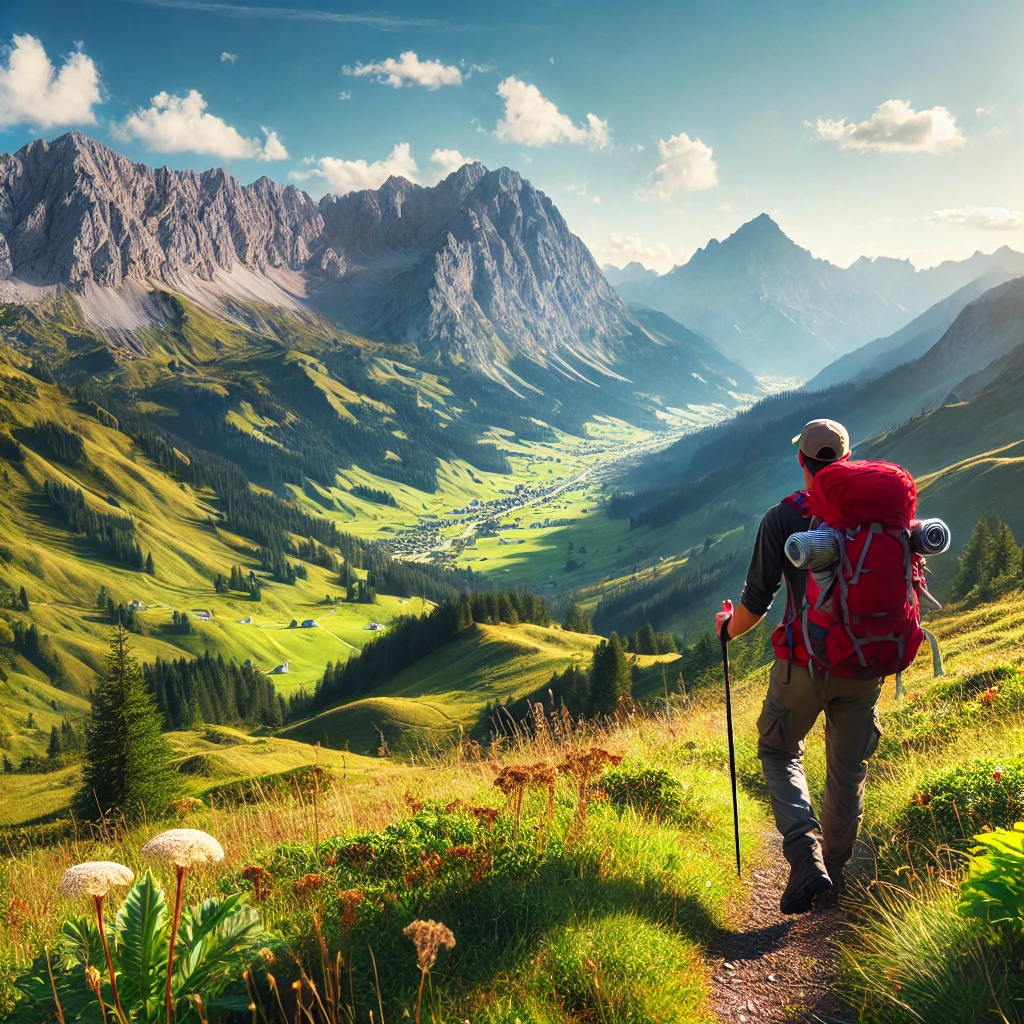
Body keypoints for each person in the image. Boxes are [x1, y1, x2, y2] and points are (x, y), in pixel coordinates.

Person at [716, 418, 882, 915]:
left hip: (803, 664)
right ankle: (836, 868)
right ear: (848, 458)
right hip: (864, 665)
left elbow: (754, 605)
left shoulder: (783, 516)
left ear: (802, 461)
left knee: (777, 750)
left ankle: (805, 859)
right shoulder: (877, 514)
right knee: (847, 770)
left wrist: (727, 626)